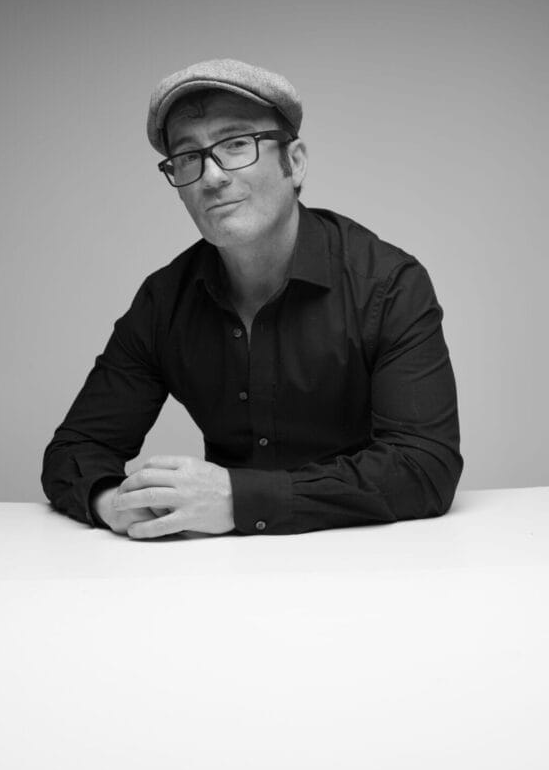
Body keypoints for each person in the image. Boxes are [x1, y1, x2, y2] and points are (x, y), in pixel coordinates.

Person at [41, 57, 462, 538]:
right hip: (228, 566)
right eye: (188, 157)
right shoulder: (164, 302)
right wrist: (112, 503)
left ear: (294, 162)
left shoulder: (387, 284)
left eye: (237, 144)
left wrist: (239, 500)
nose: (211, 177)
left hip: (373, 555)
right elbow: (74, 450)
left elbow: (425, 468)